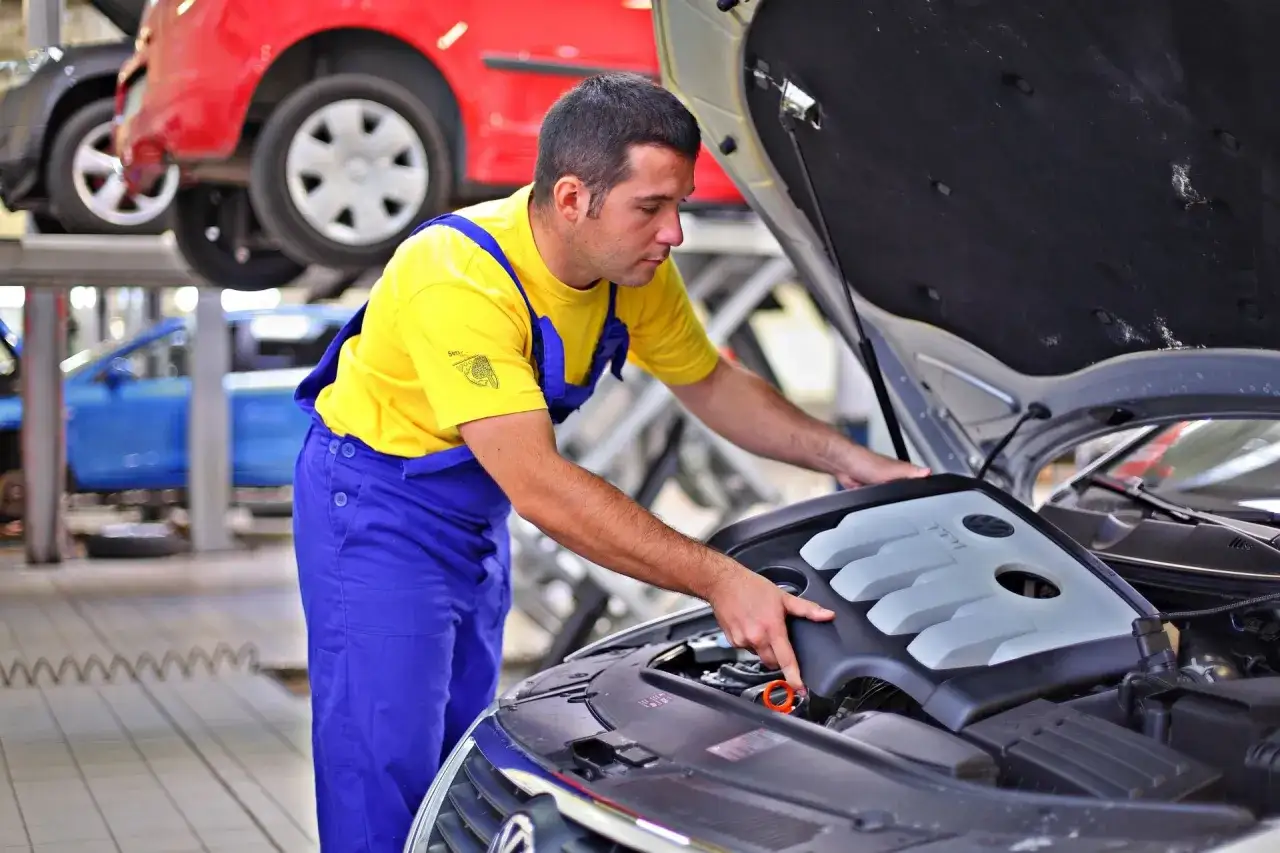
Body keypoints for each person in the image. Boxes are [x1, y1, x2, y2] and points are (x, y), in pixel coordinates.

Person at [290, 71, 928, 852]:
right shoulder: (457, 279)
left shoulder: (631, 273)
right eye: (651, 208)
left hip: (470, 514)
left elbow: (716, 385)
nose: (674, 233)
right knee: (382, 758)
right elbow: (540, 487)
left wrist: (853, 459)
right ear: (571, 199)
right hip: (375, 508)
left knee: (459, 751)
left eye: (679, 206)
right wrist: (719, 576)